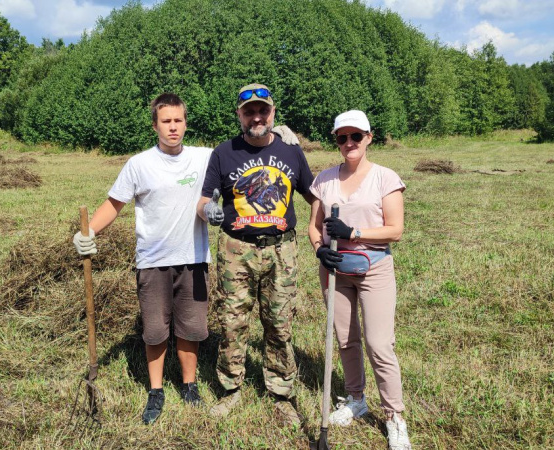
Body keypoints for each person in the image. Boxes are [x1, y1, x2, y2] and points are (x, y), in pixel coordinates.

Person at [73, 92, 300, 425]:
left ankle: (189, 383)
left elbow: (242, 150)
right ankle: (155, 390)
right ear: (155, 126)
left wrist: (277, 136)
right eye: (166, 121)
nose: (173, 127)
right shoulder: (139, 164)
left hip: (194, 259)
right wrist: (88, 232)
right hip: (152, 260)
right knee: (154, 330)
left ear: (185, 123)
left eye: (178, 120)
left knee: (191, 328)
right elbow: (114, 204)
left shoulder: (204, 157)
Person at [197, 83, 315, 426]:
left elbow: (313, 195)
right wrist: (210, 211)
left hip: (281, 250)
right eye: (249, 112)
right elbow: (205, 199)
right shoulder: (223, 153)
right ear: (239, 115)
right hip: (237, 249)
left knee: (279, 324)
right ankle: (231, 388)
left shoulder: (292, 152)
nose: (256, 117)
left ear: (272, 113)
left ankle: (280, 393)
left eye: (263, 111)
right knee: (232, 322)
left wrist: (323, 228)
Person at [307, 109, 412, 449]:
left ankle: (395, 416)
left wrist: (354, 231)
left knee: (379, 344)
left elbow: (395, 230)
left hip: (374, 268)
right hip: (335, 270)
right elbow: (314, 225)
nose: (349, 143)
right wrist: (319, 248)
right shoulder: (324, 180)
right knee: (345, 339)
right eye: (342, 137)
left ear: (369, 137)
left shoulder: (385, 178)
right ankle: (356, 399)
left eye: (356, 136)